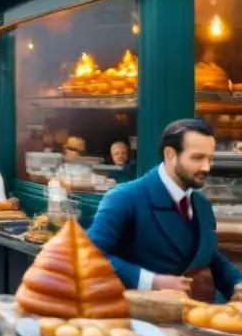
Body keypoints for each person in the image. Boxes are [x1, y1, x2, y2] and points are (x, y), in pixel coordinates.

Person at [88, 119, 242, 303]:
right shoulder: (125, 197)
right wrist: (152, 281)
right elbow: (91, 255)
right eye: (197, 158)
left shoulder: (201, 204)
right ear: (170, 154)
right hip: (139, 322)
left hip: (192, 320)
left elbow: (208, 255)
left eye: (210, 158)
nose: (206, 167)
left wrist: (237, 284)